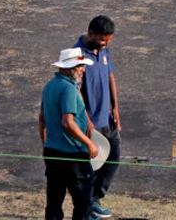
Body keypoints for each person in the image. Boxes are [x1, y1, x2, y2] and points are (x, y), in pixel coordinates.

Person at [40, 47, 100, 220]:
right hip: (73, 155)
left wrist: (46, 145)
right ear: (66, 69)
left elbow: (42, 119)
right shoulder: (69, 89)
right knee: (83, 204)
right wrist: (89, 143)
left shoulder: (49, 86)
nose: (83, 70)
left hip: (52, 153)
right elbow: (68, 122)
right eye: (78, 66)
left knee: (54, 203)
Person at [74, 16, 120, 219]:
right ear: (91, 33)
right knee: (90, 168)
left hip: (107, 119)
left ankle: (95, 200)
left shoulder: (103, 51)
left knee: (113, 159)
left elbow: (110, 76)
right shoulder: (77, 55)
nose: (105, 44)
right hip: (90, 123)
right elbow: (76, 91)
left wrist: (115, 108)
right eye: (102, 40)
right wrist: (87, 122)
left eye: (108, 41)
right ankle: (87, 208)